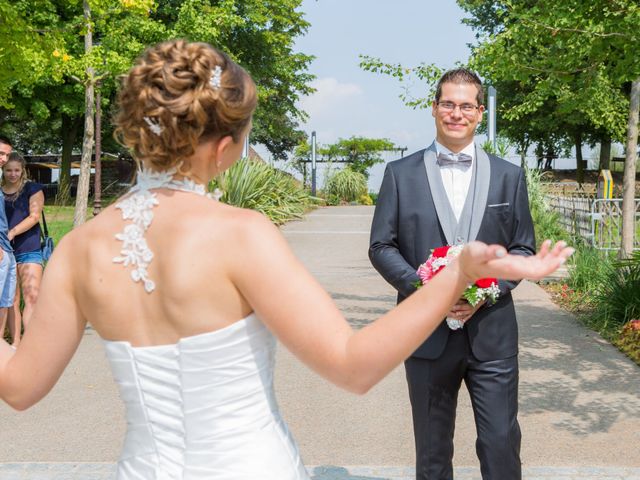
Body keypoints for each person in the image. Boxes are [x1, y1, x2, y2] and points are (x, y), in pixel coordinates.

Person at [0, 43, 570, 480]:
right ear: (224, 147)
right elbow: (353, 364)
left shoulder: (79, 247)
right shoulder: (242, 235)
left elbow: (20, 387)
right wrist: (457, 273)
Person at [369, 68, 536, 480]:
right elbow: (381, 246)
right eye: (448, 103)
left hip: (492, 338)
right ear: (434, 108)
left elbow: (522, 248)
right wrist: (428, 289)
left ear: (480, 112)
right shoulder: (399, 174)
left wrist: (486, 291)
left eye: (466, 105)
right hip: (425, 336)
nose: (456, 113)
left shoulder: (509, 176)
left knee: (500, 445)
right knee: (431, 452)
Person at [2, 152, 45, 345]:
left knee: (31, 297)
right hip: (5, 250)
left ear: (23, 170)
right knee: (11, 300)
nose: (13, 174)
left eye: (16, 170)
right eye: (8, 170)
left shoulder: (32, 188)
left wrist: (12, 232)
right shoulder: (0, 191)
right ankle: (16, 343)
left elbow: (34, 216)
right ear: (3, 170)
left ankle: (33, 343)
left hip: (29, 247)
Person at [0, 136, 18, 346]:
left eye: (6, 154)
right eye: (1, 153)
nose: (4, 159)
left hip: (7, 247)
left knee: (5, 301)